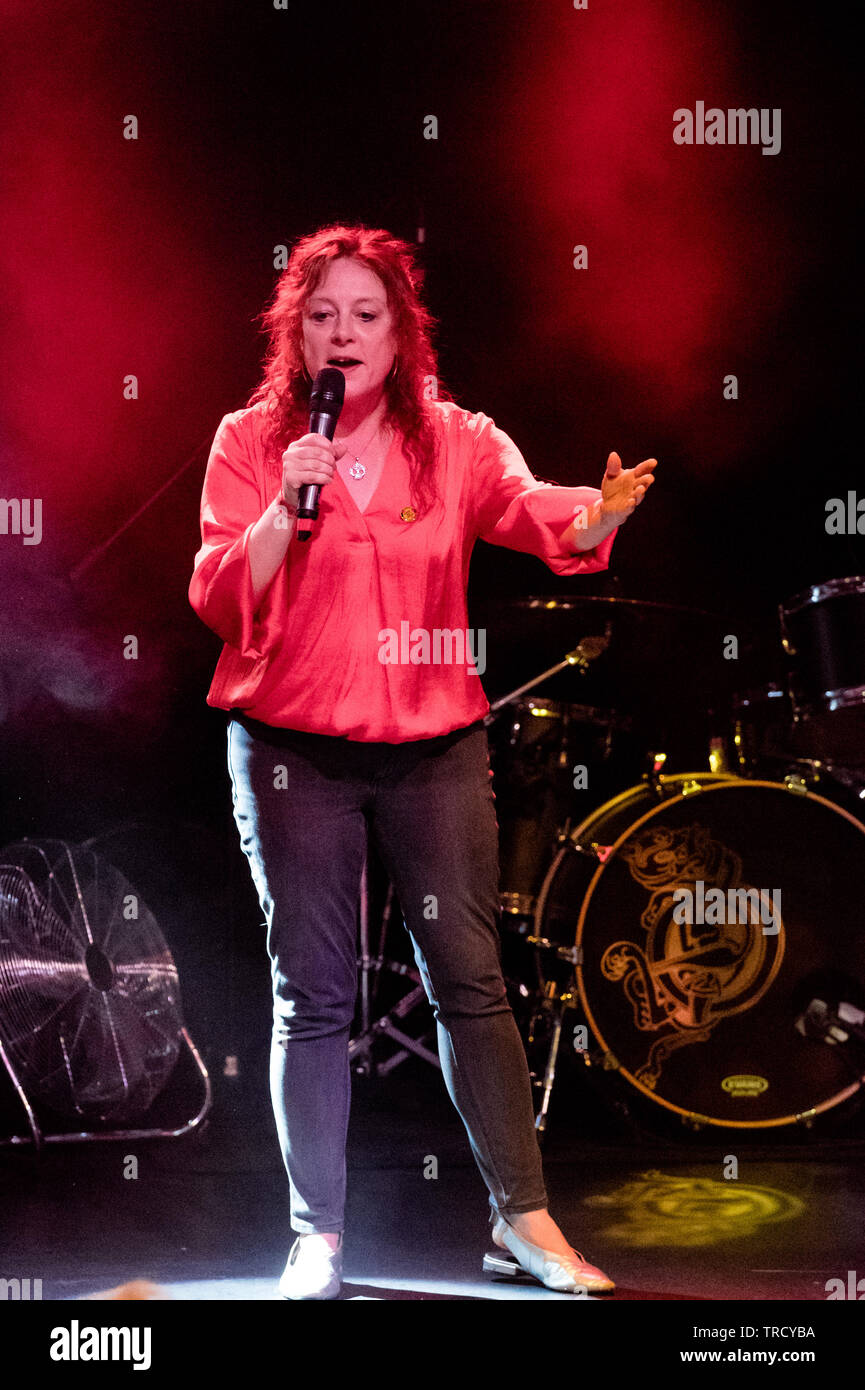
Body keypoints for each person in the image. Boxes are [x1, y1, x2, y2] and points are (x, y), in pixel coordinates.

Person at [188, 224, 657, 1300]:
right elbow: (217, 593)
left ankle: (522, 1223)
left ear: (400, 333)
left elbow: (534, 511)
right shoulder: (253, 441)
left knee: (473, 984)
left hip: (432, 743)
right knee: (310, 996)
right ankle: (317, 1239)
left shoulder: (453, 439)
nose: (342, 334)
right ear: (292, 333)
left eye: (365, 315)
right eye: (321, 316)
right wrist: (278, 506)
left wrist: (596, 513)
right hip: (290, 747)